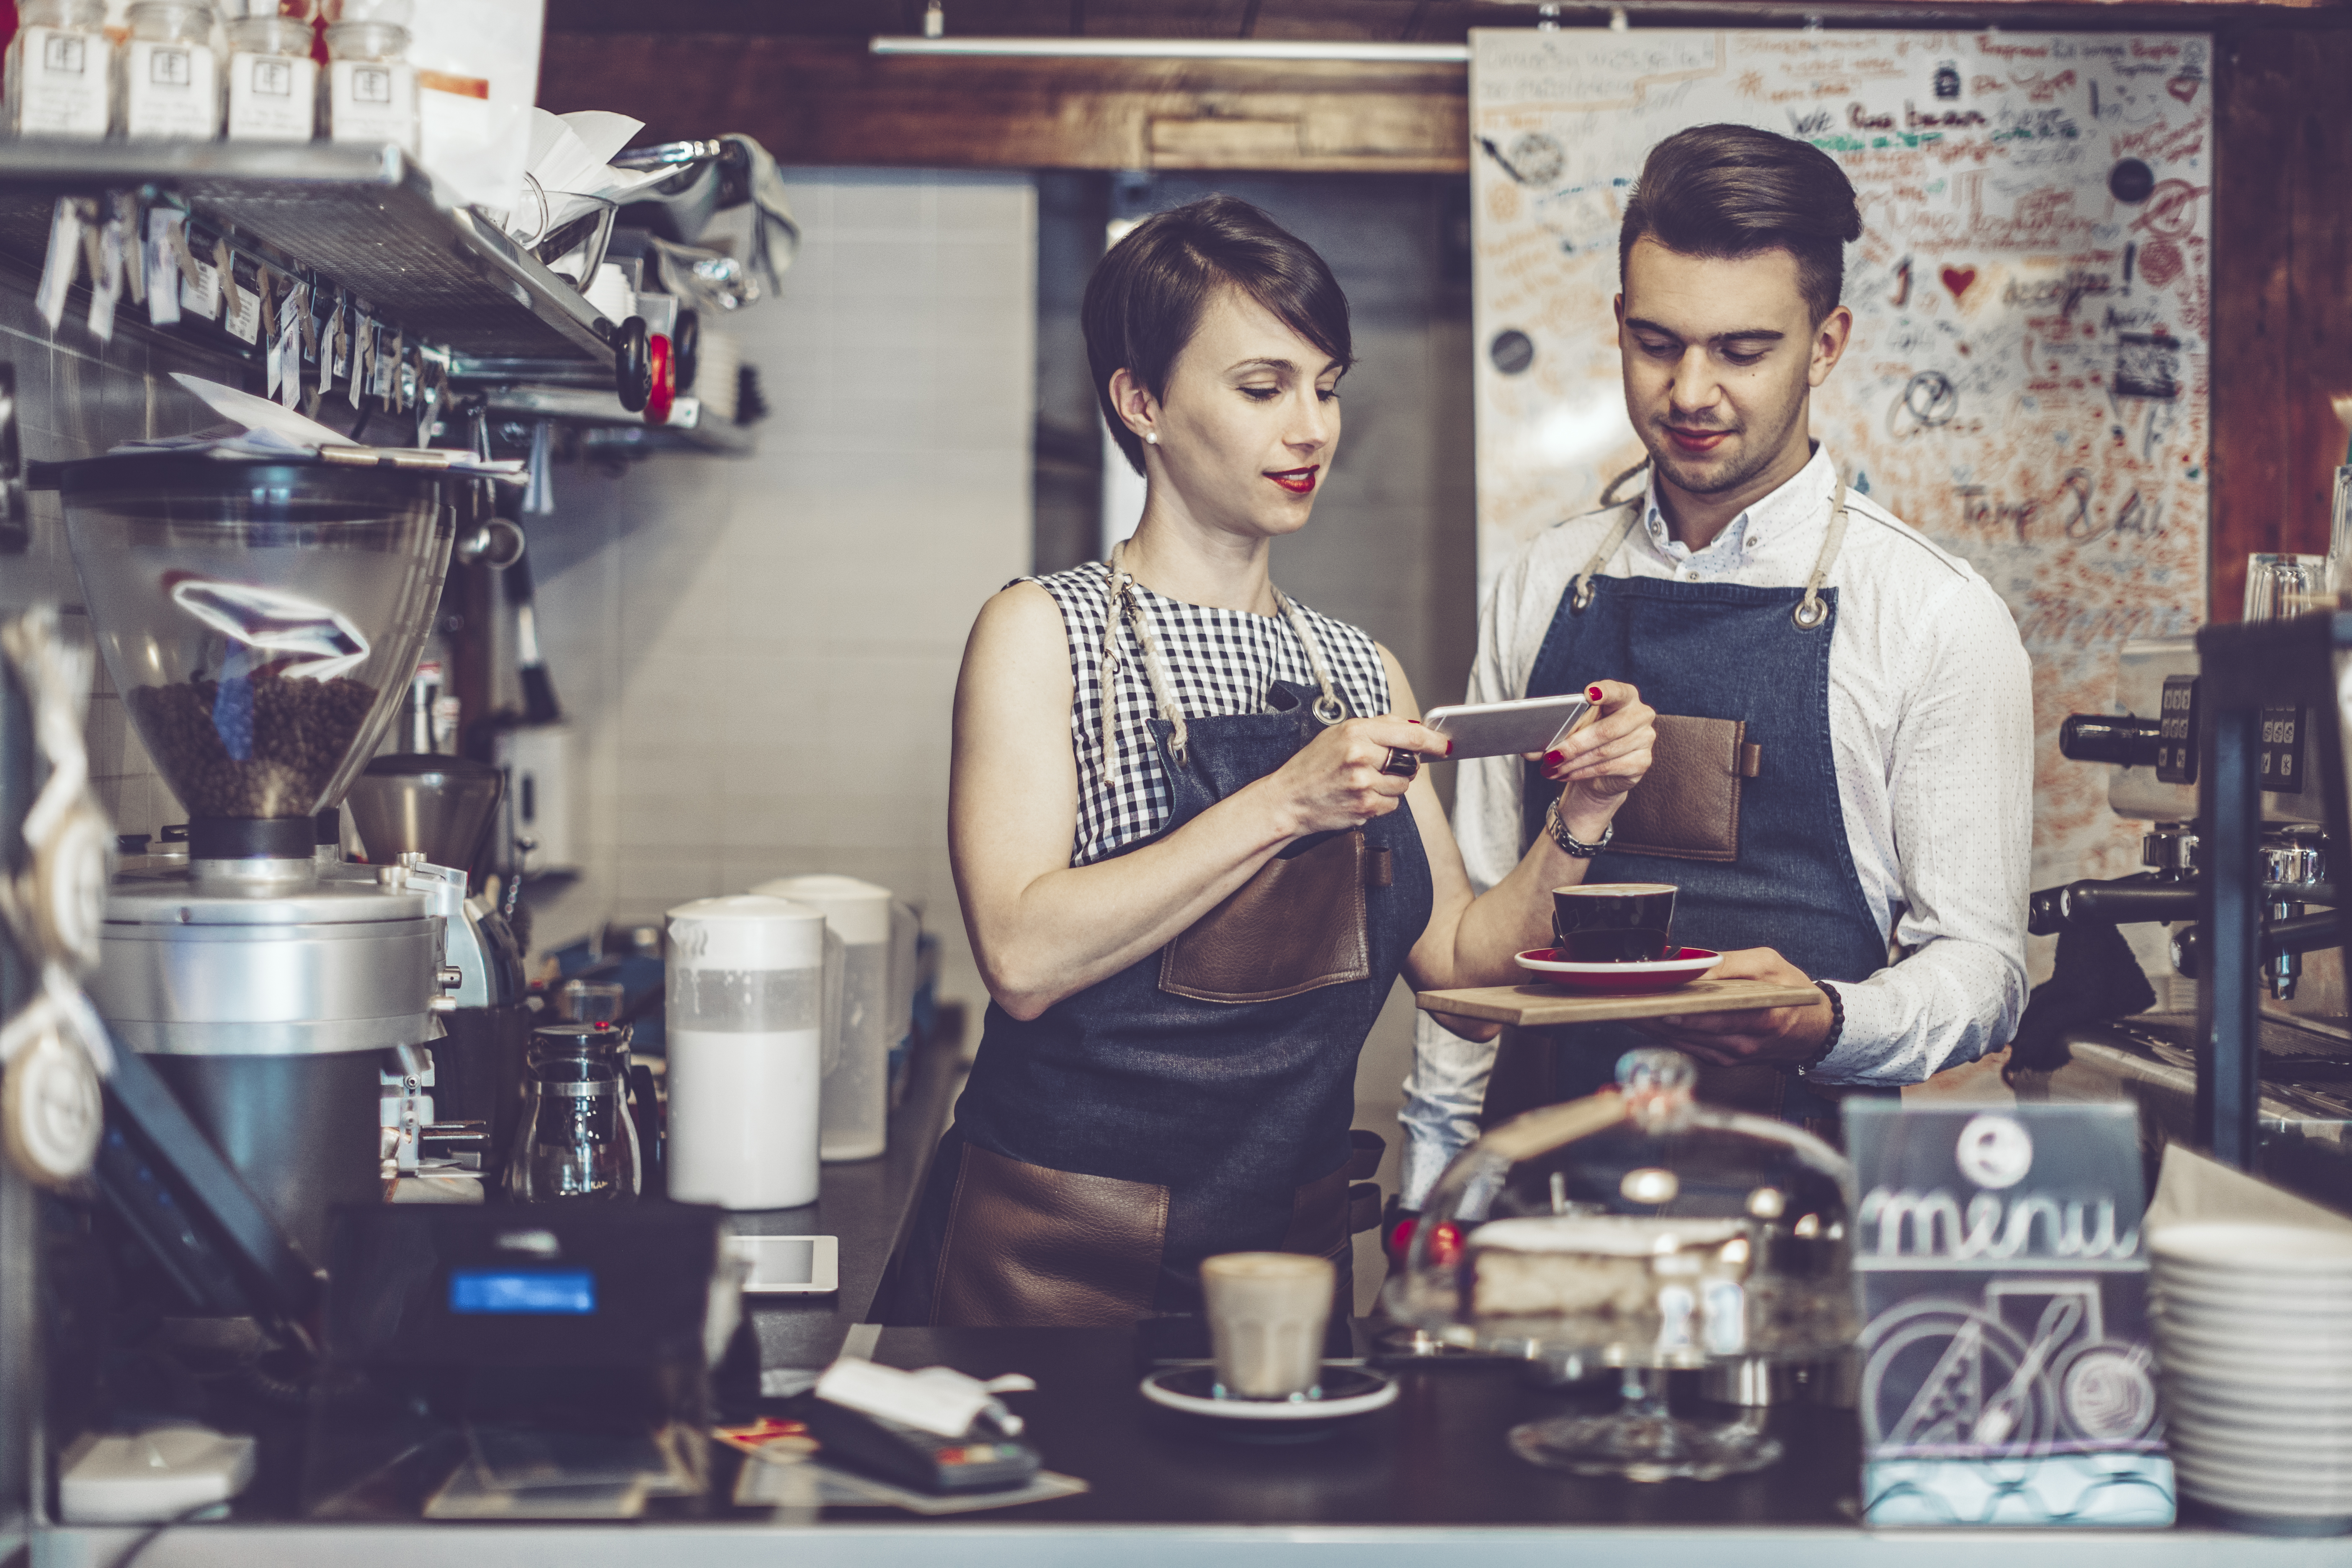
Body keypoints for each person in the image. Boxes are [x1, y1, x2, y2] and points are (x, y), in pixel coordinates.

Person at [888, 195, 1657, 1327]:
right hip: (1050, 1250)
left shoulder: (1362, 668)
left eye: (1326, 385)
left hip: (1286, 1253)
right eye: (1263, 389)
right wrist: (1287, 802)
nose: (1312, 430)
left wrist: (1581, 818)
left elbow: (1463, 975)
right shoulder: (1042, 634)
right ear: (1140, 401)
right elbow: (1023, 954)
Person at [1398, 124, 2034, 1212]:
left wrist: (1829, 1016)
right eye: (1658, 344)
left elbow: (1983, 974)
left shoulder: (1933, 615)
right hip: (1545, 1201)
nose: (1692, 391)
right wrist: (1432, 1185)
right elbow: (1474, 942)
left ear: (1824, 345)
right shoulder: (1543, 584)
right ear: (1620, 326)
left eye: (1743, 351)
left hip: (1808, 1199)